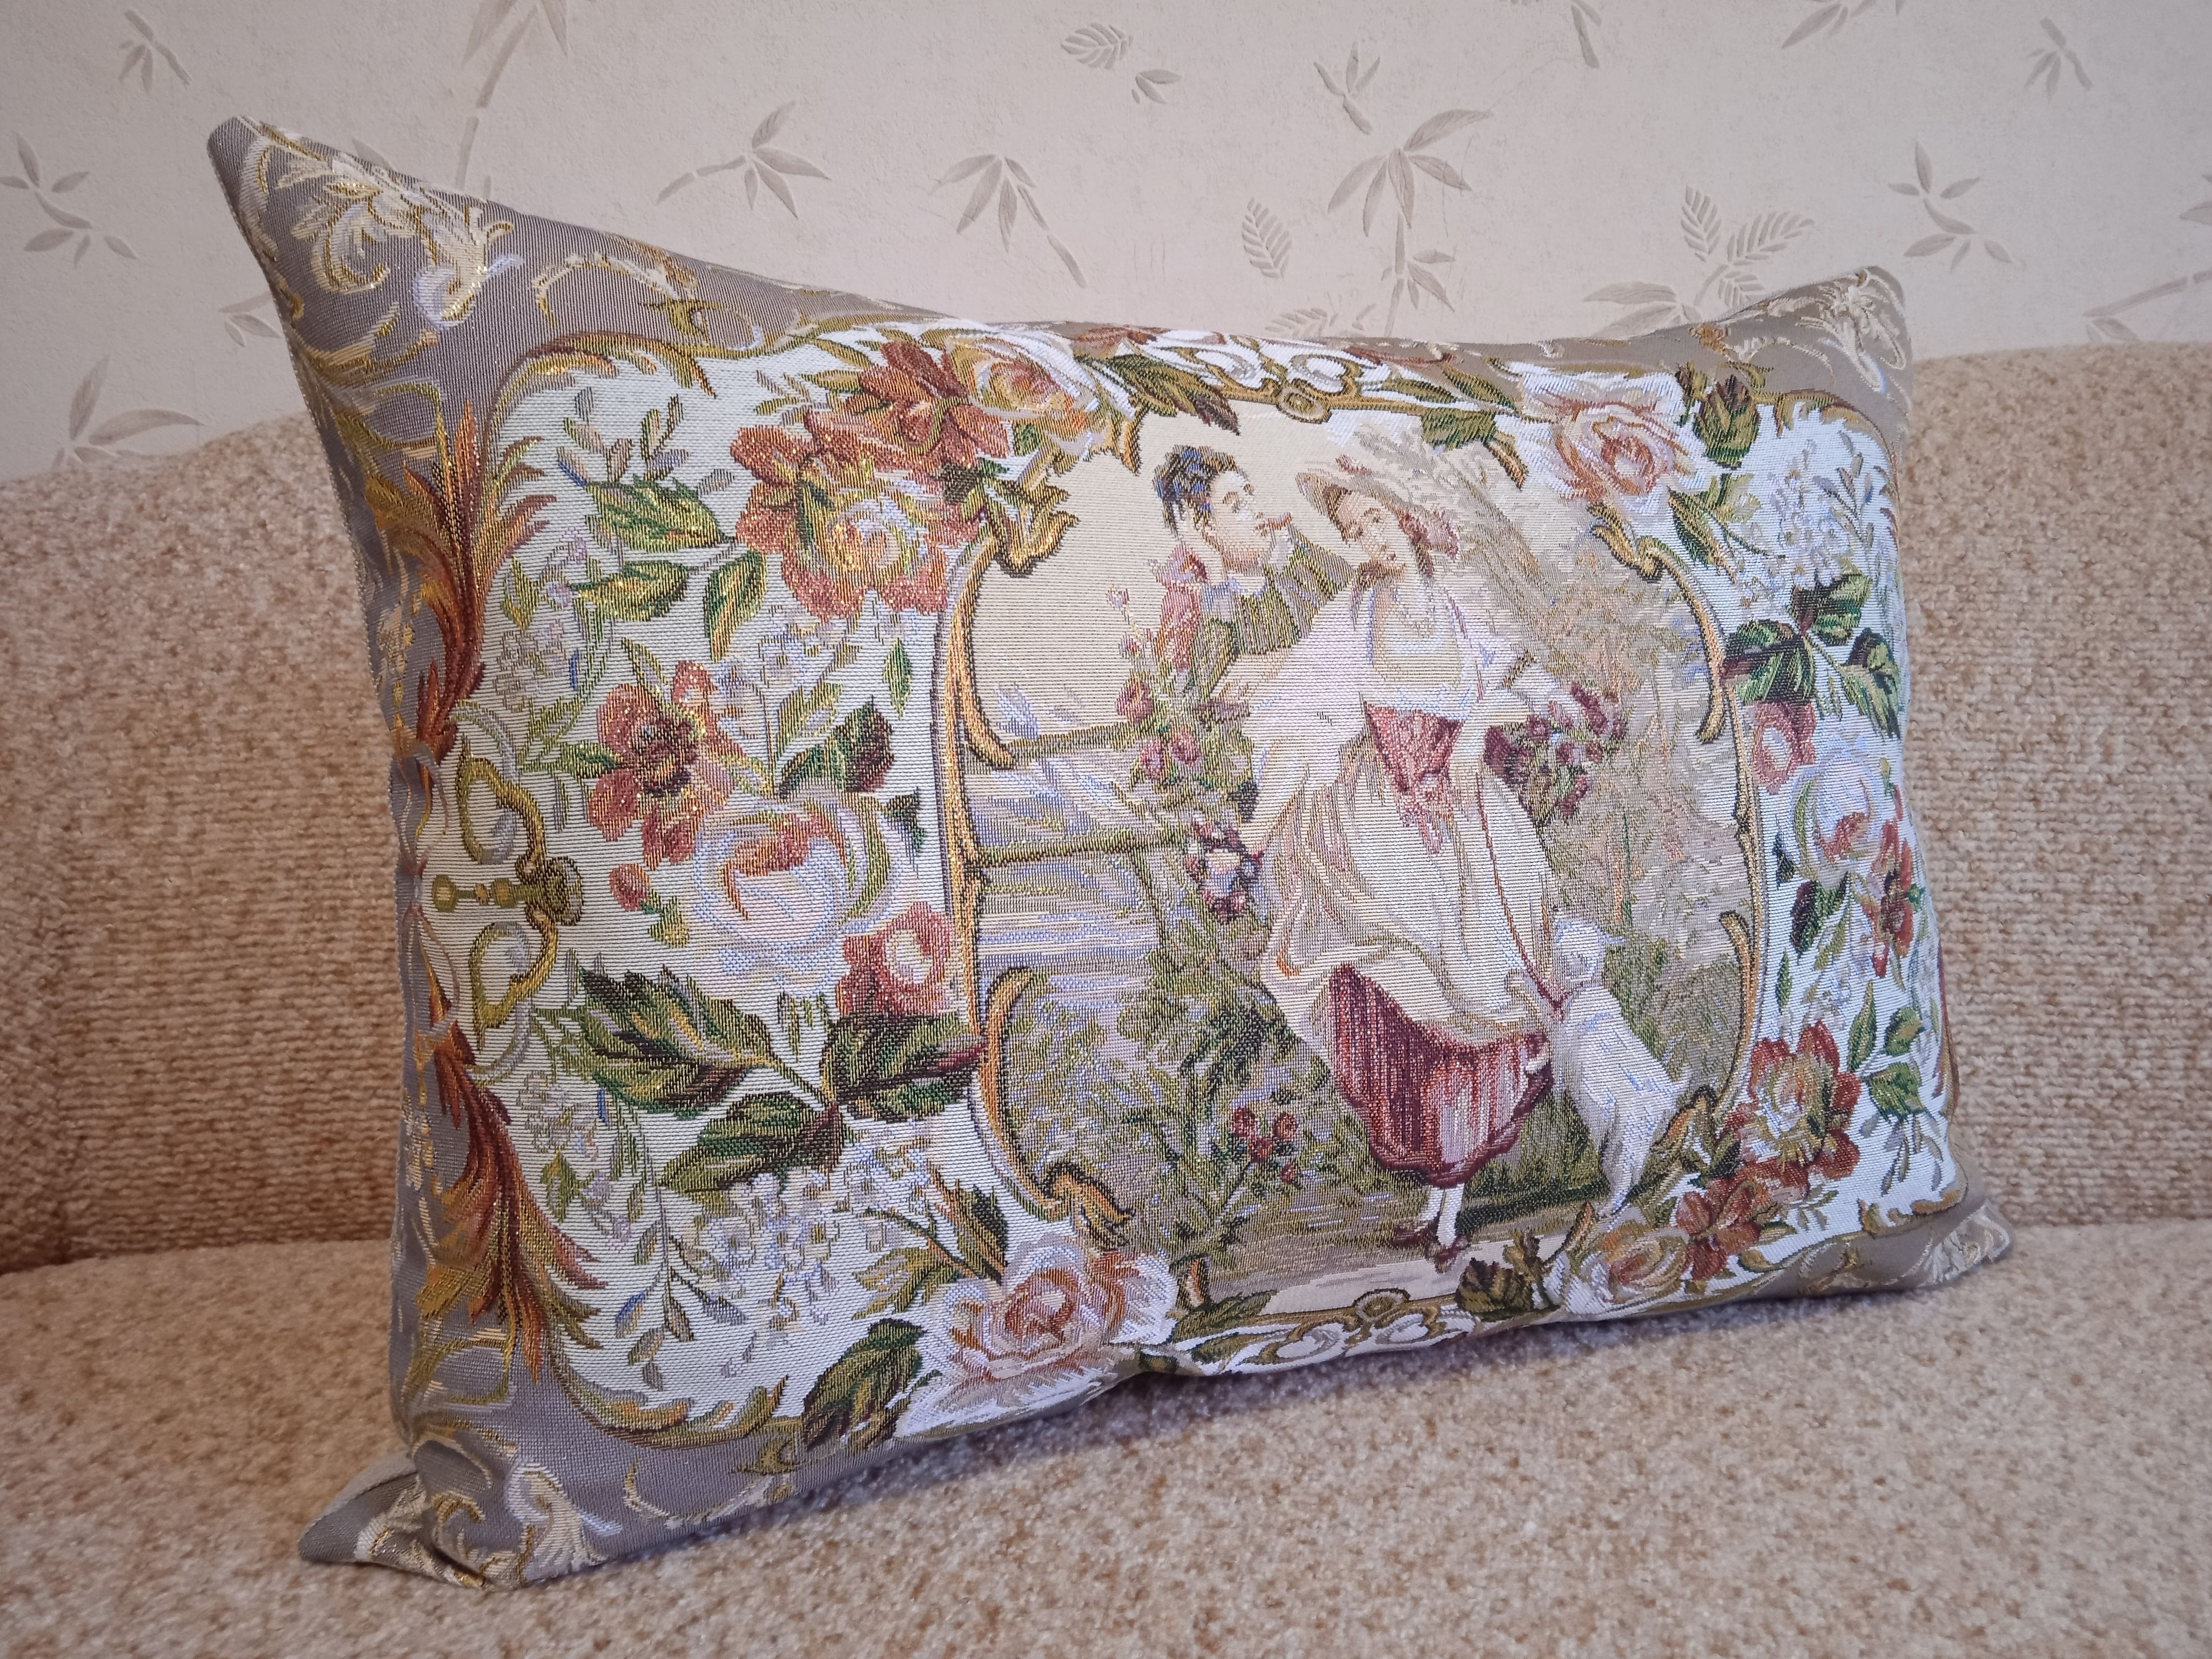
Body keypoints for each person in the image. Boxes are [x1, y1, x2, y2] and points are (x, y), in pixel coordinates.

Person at [1244, 460, 1575, 1262]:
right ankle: (1439, 1200)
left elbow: (1531, 685)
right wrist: (1257, 828)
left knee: (1475, 1000)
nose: (1371, 539)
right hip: (1377, 824)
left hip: (1466, 824)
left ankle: (1451, 1207)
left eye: (1378, 521)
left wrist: (1477, 727)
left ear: (1407, 517)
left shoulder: (1461, 610)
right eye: (1354, 530)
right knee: (1404, 1006)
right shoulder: (1351, 615)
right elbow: (1302, 706)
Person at [1149, 445, 1352, 701]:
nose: (1257, 510)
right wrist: (1215, 569)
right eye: (1236, 507)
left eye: (1250, 495)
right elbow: (1206, 692)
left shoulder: (1296, 566)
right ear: (1207, 529)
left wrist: (1273, 664)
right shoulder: (1219, 604)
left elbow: (1356, 616)